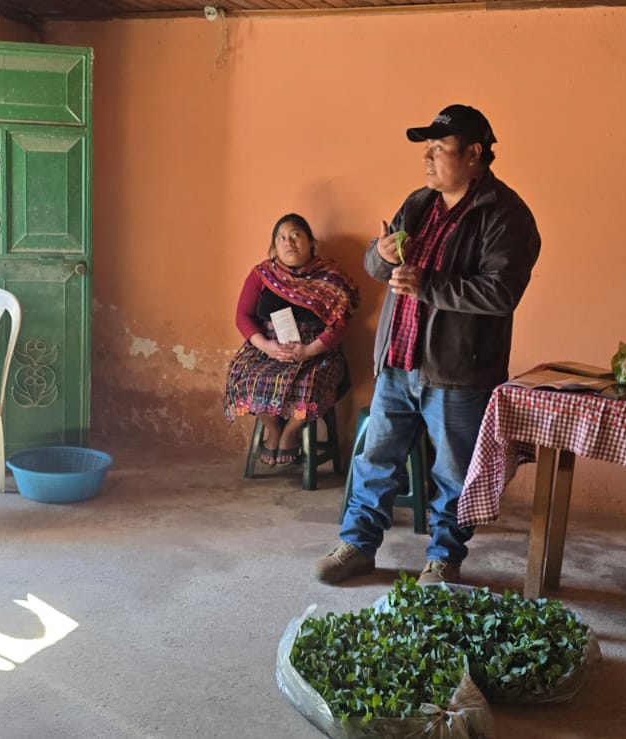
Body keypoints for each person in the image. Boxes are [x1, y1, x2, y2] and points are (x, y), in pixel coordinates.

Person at [316, 104, 541, 587]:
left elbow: (501, 292)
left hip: (459, 371)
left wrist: (428, 285)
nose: (427, 159)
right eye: (427, 149)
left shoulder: (505, 215)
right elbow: (381, 267)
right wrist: (379, 256)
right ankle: (357, 545)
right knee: (375, 461)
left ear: (474, 154)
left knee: (453, 474)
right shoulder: (419, 203)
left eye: (439, 149)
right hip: (398, 360)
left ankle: (443, 559)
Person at [224, 213, 358, 466]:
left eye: (296, 235)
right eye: (281, 238)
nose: (289, 242)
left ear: (311, 242)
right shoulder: (262, 275)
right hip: (268, 349)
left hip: (316, 351)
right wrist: (267, 346)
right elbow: (242, 316)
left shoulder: (330, 277)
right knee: (246, 376)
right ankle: (273, 428)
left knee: (309, 382)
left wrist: (309, 351)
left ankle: (290, 433)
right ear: (274, 247)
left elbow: (341, 324)